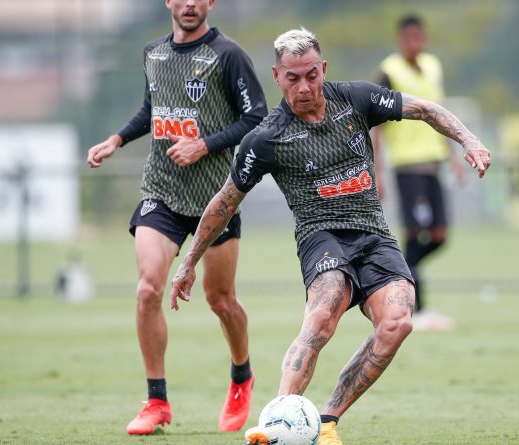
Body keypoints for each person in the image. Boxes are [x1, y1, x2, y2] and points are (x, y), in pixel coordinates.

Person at [169, 28, 490, 445]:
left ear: (323, 69)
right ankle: (277, 422)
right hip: (321, 237)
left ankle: (325, 421)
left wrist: (469, 140)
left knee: (397, 322)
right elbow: (225, 201)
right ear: (277, 76)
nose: (303, 87)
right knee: (323, 312)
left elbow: (426, 109)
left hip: (374, 235)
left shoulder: (355, 99)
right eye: (292, 78)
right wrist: (189, 262)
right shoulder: (266, 139)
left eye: (311, 76)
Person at [86, 0, 267, 435]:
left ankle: (241, 376)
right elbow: (153, 110)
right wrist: (116, 140)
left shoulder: (228, 55)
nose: (189, 3)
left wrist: (204, 144)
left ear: (210, 3)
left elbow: (256, 117)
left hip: (215, 200)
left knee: (220, 300)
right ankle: (156, 401)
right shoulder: (153, 52)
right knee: (148, 288)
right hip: (162, 192)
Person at [371, 14, 464, 331]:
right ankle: (418, 308)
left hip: (433, 162)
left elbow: (440, 115)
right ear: (400, 40)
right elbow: (378, 125)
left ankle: (396, 273)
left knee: (439, 236)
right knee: (414, 234)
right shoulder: (389, 71)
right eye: (410, 38)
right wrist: (378, 171)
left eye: (419, 37)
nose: (416, 43)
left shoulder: (433, 66)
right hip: (406, 165)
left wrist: (453, 156)